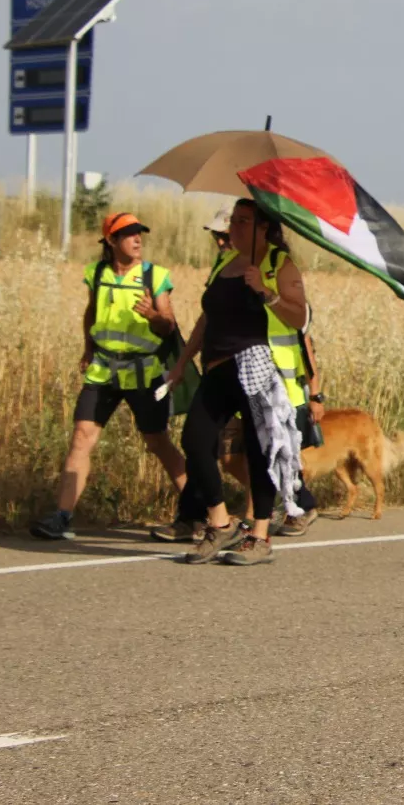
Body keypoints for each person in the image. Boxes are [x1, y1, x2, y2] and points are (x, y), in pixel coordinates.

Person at [166, 199, 311, 565]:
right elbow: (206, 318)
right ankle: (220, 520)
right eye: (234, 221)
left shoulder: (280, 264)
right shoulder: (227, 263)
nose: (235, 228)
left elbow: (299, 318)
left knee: (259, 448)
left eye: (244, 221)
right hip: (217, 366)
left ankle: (260, 536)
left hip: (259, 364)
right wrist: (182, 362)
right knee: (195, 440)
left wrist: (267, 290)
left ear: (264, 227)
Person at [30, 213, 189, 540]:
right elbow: (90, 313)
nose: (137, 239)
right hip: (103, 370)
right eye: (128, 234)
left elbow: (169, 325)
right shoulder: (97, 273)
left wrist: (153, 315)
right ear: (111, 242)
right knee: (81, 437)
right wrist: (87, 349)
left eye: (138, 233)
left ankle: (196, 512)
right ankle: (62, 516)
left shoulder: (154, 276)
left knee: (157, 442)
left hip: (144, 372)